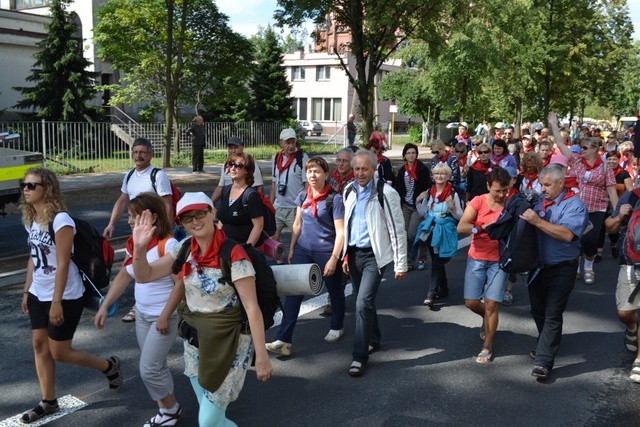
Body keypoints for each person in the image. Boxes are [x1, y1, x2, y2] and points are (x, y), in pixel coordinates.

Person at [131, 192, 273, 425]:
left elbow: (252, 307)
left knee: (208, 421)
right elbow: (144, 275)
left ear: (212, 213)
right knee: (213, 421)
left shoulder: (233, 254)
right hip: (196, 341)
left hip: (231, 343)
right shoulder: (185, 249)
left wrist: (262, 357)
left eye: (200, 214)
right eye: (188, 218)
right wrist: (139, 248)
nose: (195, 222)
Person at [20, 168, 122, 424]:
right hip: (37, 293)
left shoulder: (62, 220)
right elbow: (34, 258)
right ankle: (48, 401)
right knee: (39, 346)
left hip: (64, 295)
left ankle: (108, 366)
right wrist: (26, 290)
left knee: (60, 352)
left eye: (32, 185)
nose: (26, 189)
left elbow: (63, 264)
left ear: (48, 188)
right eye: (25, 184)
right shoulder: (31, 218)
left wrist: (56, 302)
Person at [95, 192, 181, 427]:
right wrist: (105, 305)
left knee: (148, 369)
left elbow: (179, 285)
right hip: (142, 315)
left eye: (134, 216)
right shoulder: (134, 243)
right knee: (156, 366)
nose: (130, 221)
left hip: (163, 317)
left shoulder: (169, 244)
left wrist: (165, 316)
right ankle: (166, 410)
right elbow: (125, 274)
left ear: (151, 217)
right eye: (130, 216)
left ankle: (171, 409)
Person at [266, 157, 346, 355]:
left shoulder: (334, 199)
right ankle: (283, 340)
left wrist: (334, 258)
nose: (312, 175)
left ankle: (337, 326)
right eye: (309, 171)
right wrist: (292, 248)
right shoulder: (303, 195)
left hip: (326, 251)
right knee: (294, 292)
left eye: (317, 171)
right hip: (303, 249)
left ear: (326, 174)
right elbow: (297, 223)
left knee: (334, 289)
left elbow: (341, 232)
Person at [342, 150, 408, 377]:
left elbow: (397, 230)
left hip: (374, 257)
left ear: (374, 168)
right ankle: (374, 338)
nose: (360, 173)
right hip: (353, 254)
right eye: (357, 169)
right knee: (365, 302)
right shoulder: (348, 190)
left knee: (362, 302)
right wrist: (343, 255)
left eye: (365, 169)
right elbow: (346, 226)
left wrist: (401, 264)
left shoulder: (386, 193)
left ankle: (359, 357)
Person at [520, 164, 589, 380]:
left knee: (552, 313)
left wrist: (538, 221)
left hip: (563, 268)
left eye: (548, 184)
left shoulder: (575, 205)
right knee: (537, 311)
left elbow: (567, 235)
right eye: (541, 184)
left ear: (561, 183)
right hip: (537, 267)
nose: (543, 188)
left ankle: (543, 361)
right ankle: (546, 344)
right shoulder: (538, 200)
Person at [103, 137, 173, 323]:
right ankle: (139, 305)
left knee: (155, 267)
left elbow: (167, 205)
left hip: (154, 230)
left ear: (150, 154)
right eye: (135, 152)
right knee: (132, 266)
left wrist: (166, 230)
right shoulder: (129, 175)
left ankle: (166, 306)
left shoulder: (158, 175)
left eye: (142, 152)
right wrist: (111, 223)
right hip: (138, 229)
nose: (138, 155)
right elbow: (122, 200)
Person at [553, 112, 618, 285]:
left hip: (597, 208)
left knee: (590, 240)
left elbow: (611, 190)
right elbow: (560, 143)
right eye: (581, 147)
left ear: (595, 150)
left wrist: (617, 212)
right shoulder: (575, 161)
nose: (581, 150)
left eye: (585, 148)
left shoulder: (605, 168)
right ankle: (576, 267)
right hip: (577, 207)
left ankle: (588, 266)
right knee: (575, 238)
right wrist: (554, 123)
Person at [457, 167, 511, 363]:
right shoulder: (478, 201)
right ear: (489, 186)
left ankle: (487, 345)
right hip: (477, 256)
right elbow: (461, 226)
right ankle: (486, 320)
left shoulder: (511, 203)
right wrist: (480, 228)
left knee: (491, 304)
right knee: (471, 302)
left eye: (505, 190)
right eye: (497, 190)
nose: (501, 195)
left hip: (500, 259)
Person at [605, 187, 640, 384]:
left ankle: (639, 360)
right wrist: (620, 216)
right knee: (625, 313)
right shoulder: (632, 196)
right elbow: (610, 227)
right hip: (629, 263)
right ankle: (633, 326)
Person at [415, 164, 463, 306]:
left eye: (443, 174)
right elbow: (423, 213)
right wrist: (418, 200)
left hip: (445, 231)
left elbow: (460, 216)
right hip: (431, 230)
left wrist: (452, 207)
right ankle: (444, 289)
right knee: (436, 262)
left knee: (437, 262)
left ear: (448, 176)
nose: (440, 176)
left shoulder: (453, 194)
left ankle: (431, 293)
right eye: (437, 174)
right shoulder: (429, 192)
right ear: (433, 176)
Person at [393, 143, 432, 270]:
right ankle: (408, 261)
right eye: (408, 153)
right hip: (405, 205)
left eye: (413, 153)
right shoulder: (402, 170)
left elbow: (429, 187)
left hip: (417, 206)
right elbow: (398, 189)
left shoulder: (422, 169)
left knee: (411, 234)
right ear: (404, 155)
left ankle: (420, 256)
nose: (411, 155)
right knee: (403, 234)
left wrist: (424, 194)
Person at [217, 153, 265, 247]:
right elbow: (222, 220)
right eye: (230, 164)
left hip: (242, 250)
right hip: (225, 248)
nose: (233, 168)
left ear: (247, 170)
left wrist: (247, 249)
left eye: (238, 165)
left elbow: (258, 226)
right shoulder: (226, 190)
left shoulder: (251, 195)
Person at [270, 128, 309, 243]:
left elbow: (307, 185)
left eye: (293, 142)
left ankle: (295, 260)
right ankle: (280, 261)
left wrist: (302, 207)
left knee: (296, 240)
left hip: (294, 208)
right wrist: (271, 205)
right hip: (278, 206)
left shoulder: (302, 158)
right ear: (281, 143)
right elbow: (273, 183)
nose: (291, 145)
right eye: (288, 142)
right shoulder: (276, 158)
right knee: (273, 239)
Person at [210, 136, 264, 211]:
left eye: (236, 148)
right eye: (230, 148)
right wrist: (210, 204)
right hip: (228, 203)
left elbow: (259, 187)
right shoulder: (226, 165)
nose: (233, 150)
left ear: (242, 147)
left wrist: (256, 207)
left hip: (244, 204)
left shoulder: (250, 164)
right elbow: (220, 187)